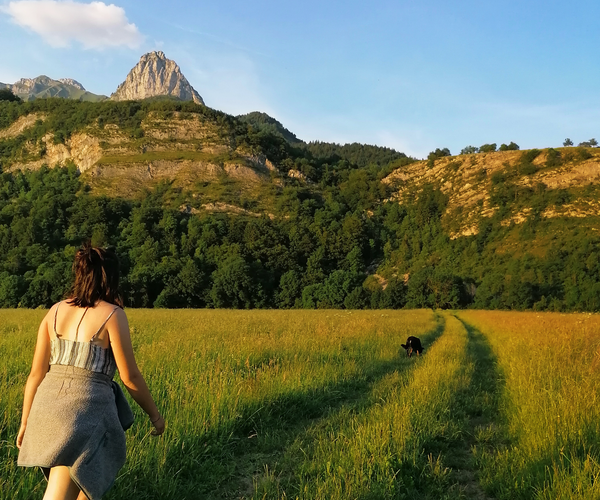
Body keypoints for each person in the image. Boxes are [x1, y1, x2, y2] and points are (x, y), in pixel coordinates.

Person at [16, 244, 165, 500]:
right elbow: (130, 376)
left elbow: (35, 374)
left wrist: (25, 420)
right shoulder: (113, 315)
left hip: (45, 408)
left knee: (82, 489)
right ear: (112, 278)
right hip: (82, 414)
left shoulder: (54, 311)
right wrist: (155, 416)